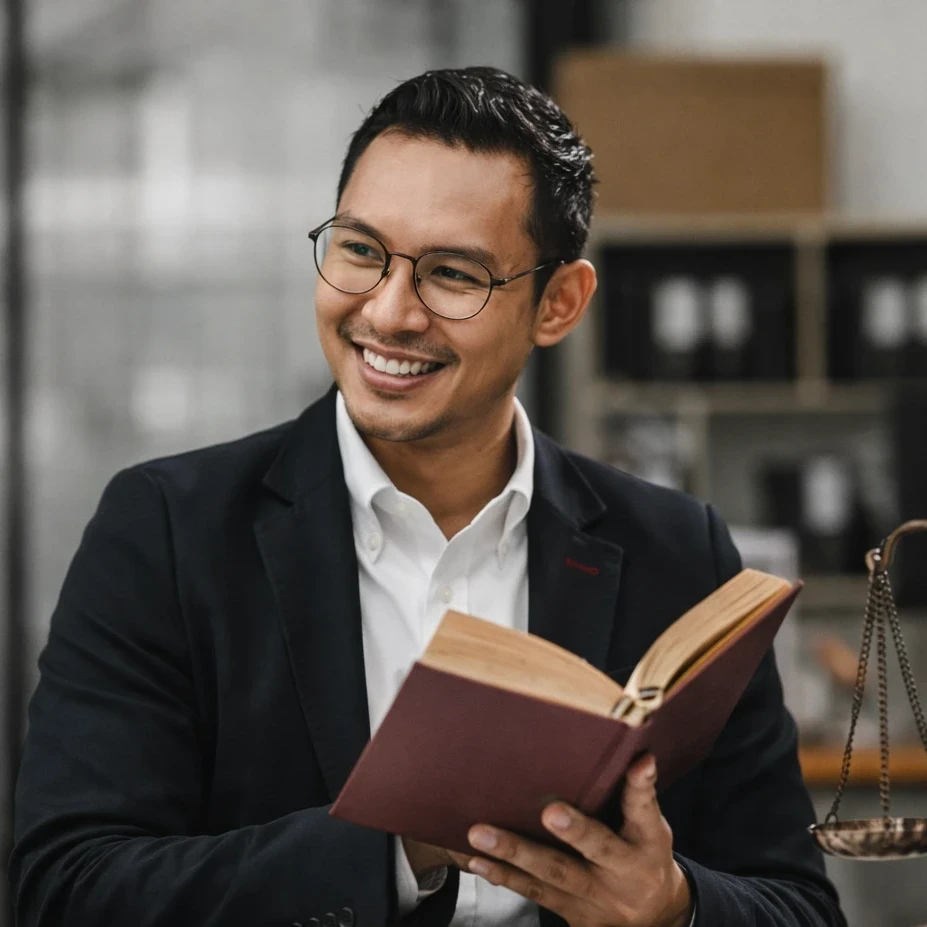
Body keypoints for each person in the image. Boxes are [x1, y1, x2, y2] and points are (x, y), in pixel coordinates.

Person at [10, 67, 846, 927]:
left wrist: (673, 907)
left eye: (452, 273)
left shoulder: (678, 549)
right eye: (361, 251)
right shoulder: (167, 530)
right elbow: (68, 887)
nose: (390, 311)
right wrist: (401, 842)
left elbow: (800, 907)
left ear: (557, 303)